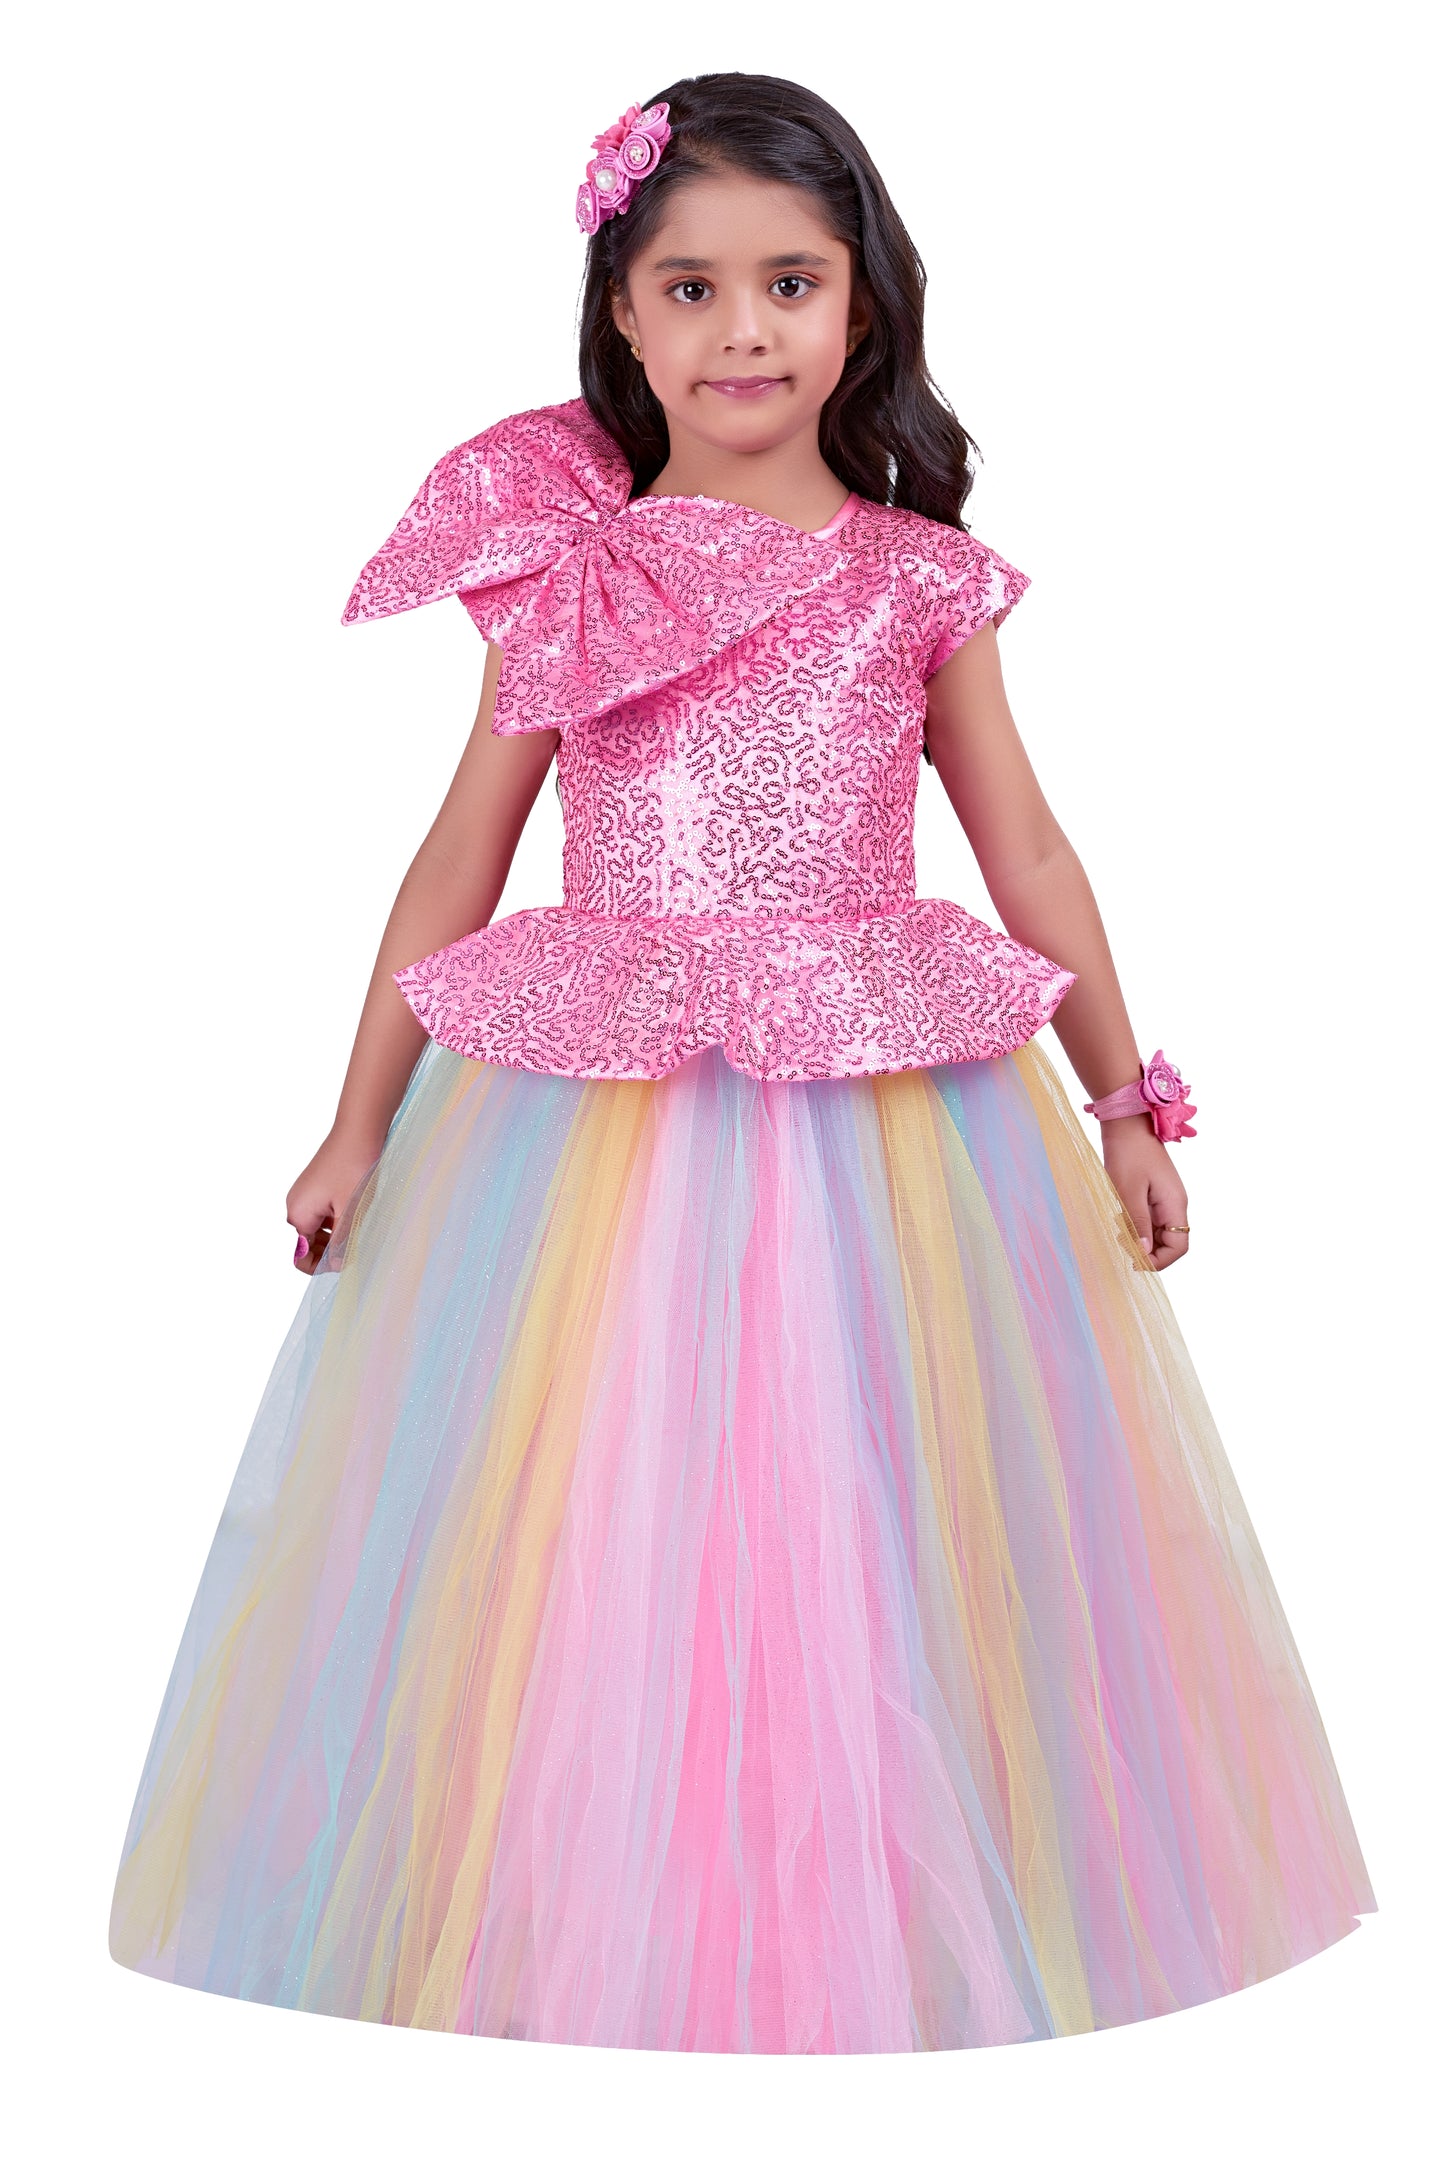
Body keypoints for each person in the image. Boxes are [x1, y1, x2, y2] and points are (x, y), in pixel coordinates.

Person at [108, 72, 1375, 2054]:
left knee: (884, 1501)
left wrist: (1128, 1099)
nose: (742, 331)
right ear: (620, 315)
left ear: (864, 301)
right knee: (592, 1508)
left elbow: (1028, 851)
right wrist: (355, 1122)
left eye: (790, 281)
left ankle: (894, 1908)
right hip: (584, 1123)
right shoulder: (573, 570)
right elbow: (460, 856)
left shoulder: (918, 576)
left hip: (889, 1117)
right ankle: (590, 1914)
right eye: (689, 288)